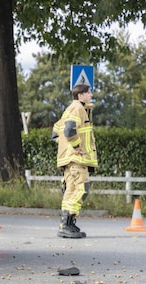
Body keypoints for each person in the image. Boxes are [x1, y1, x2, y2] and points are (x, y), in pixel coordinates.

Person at [51, 84, 98, 238]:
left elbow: (56, 132)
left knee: (71, 191)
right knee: (80, 190)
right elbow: (69, 130)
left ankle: (68, 224)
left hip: (72, 160)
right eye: (88, 92)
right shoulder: (77, 108)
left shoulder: (72, 109)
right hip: (77, 159)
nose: (91, 95)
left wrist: (65, 146)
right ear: (80, 95)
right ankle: (66, 225)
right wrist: (75, 146)